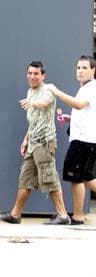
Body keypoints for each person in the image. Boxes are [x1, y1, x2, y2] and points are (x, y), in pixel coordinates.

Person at [0, 61, 70, 225]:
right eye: (29, 73)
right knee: (25, 179)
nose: (32, 76)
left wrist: (32, 104)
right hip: (33, 142)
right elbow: (34, 120)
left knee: (49, 178)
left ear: (43, 75)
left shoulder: (48, 89)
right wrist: (25, 139)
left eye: (36, 73)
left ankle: (63, 215)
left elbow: (45, 104)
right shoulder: (30, 91)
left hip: (44, 142)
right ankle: (15, 215)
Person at [46, 55, 96, 225]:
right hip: (86, 140)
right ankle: (78, 215)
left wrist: (56, 91)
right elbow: (85, 110)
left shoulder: (91, 88)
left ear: (93, 70)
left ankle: (78, 216)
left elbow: (79, 105)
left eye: (84, 68)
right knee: (88, 179)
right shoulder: (86, 88)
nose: (80, 71)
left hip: (83, 141)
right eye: (78, 68)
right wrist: (70, 119)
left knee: (76, 178)